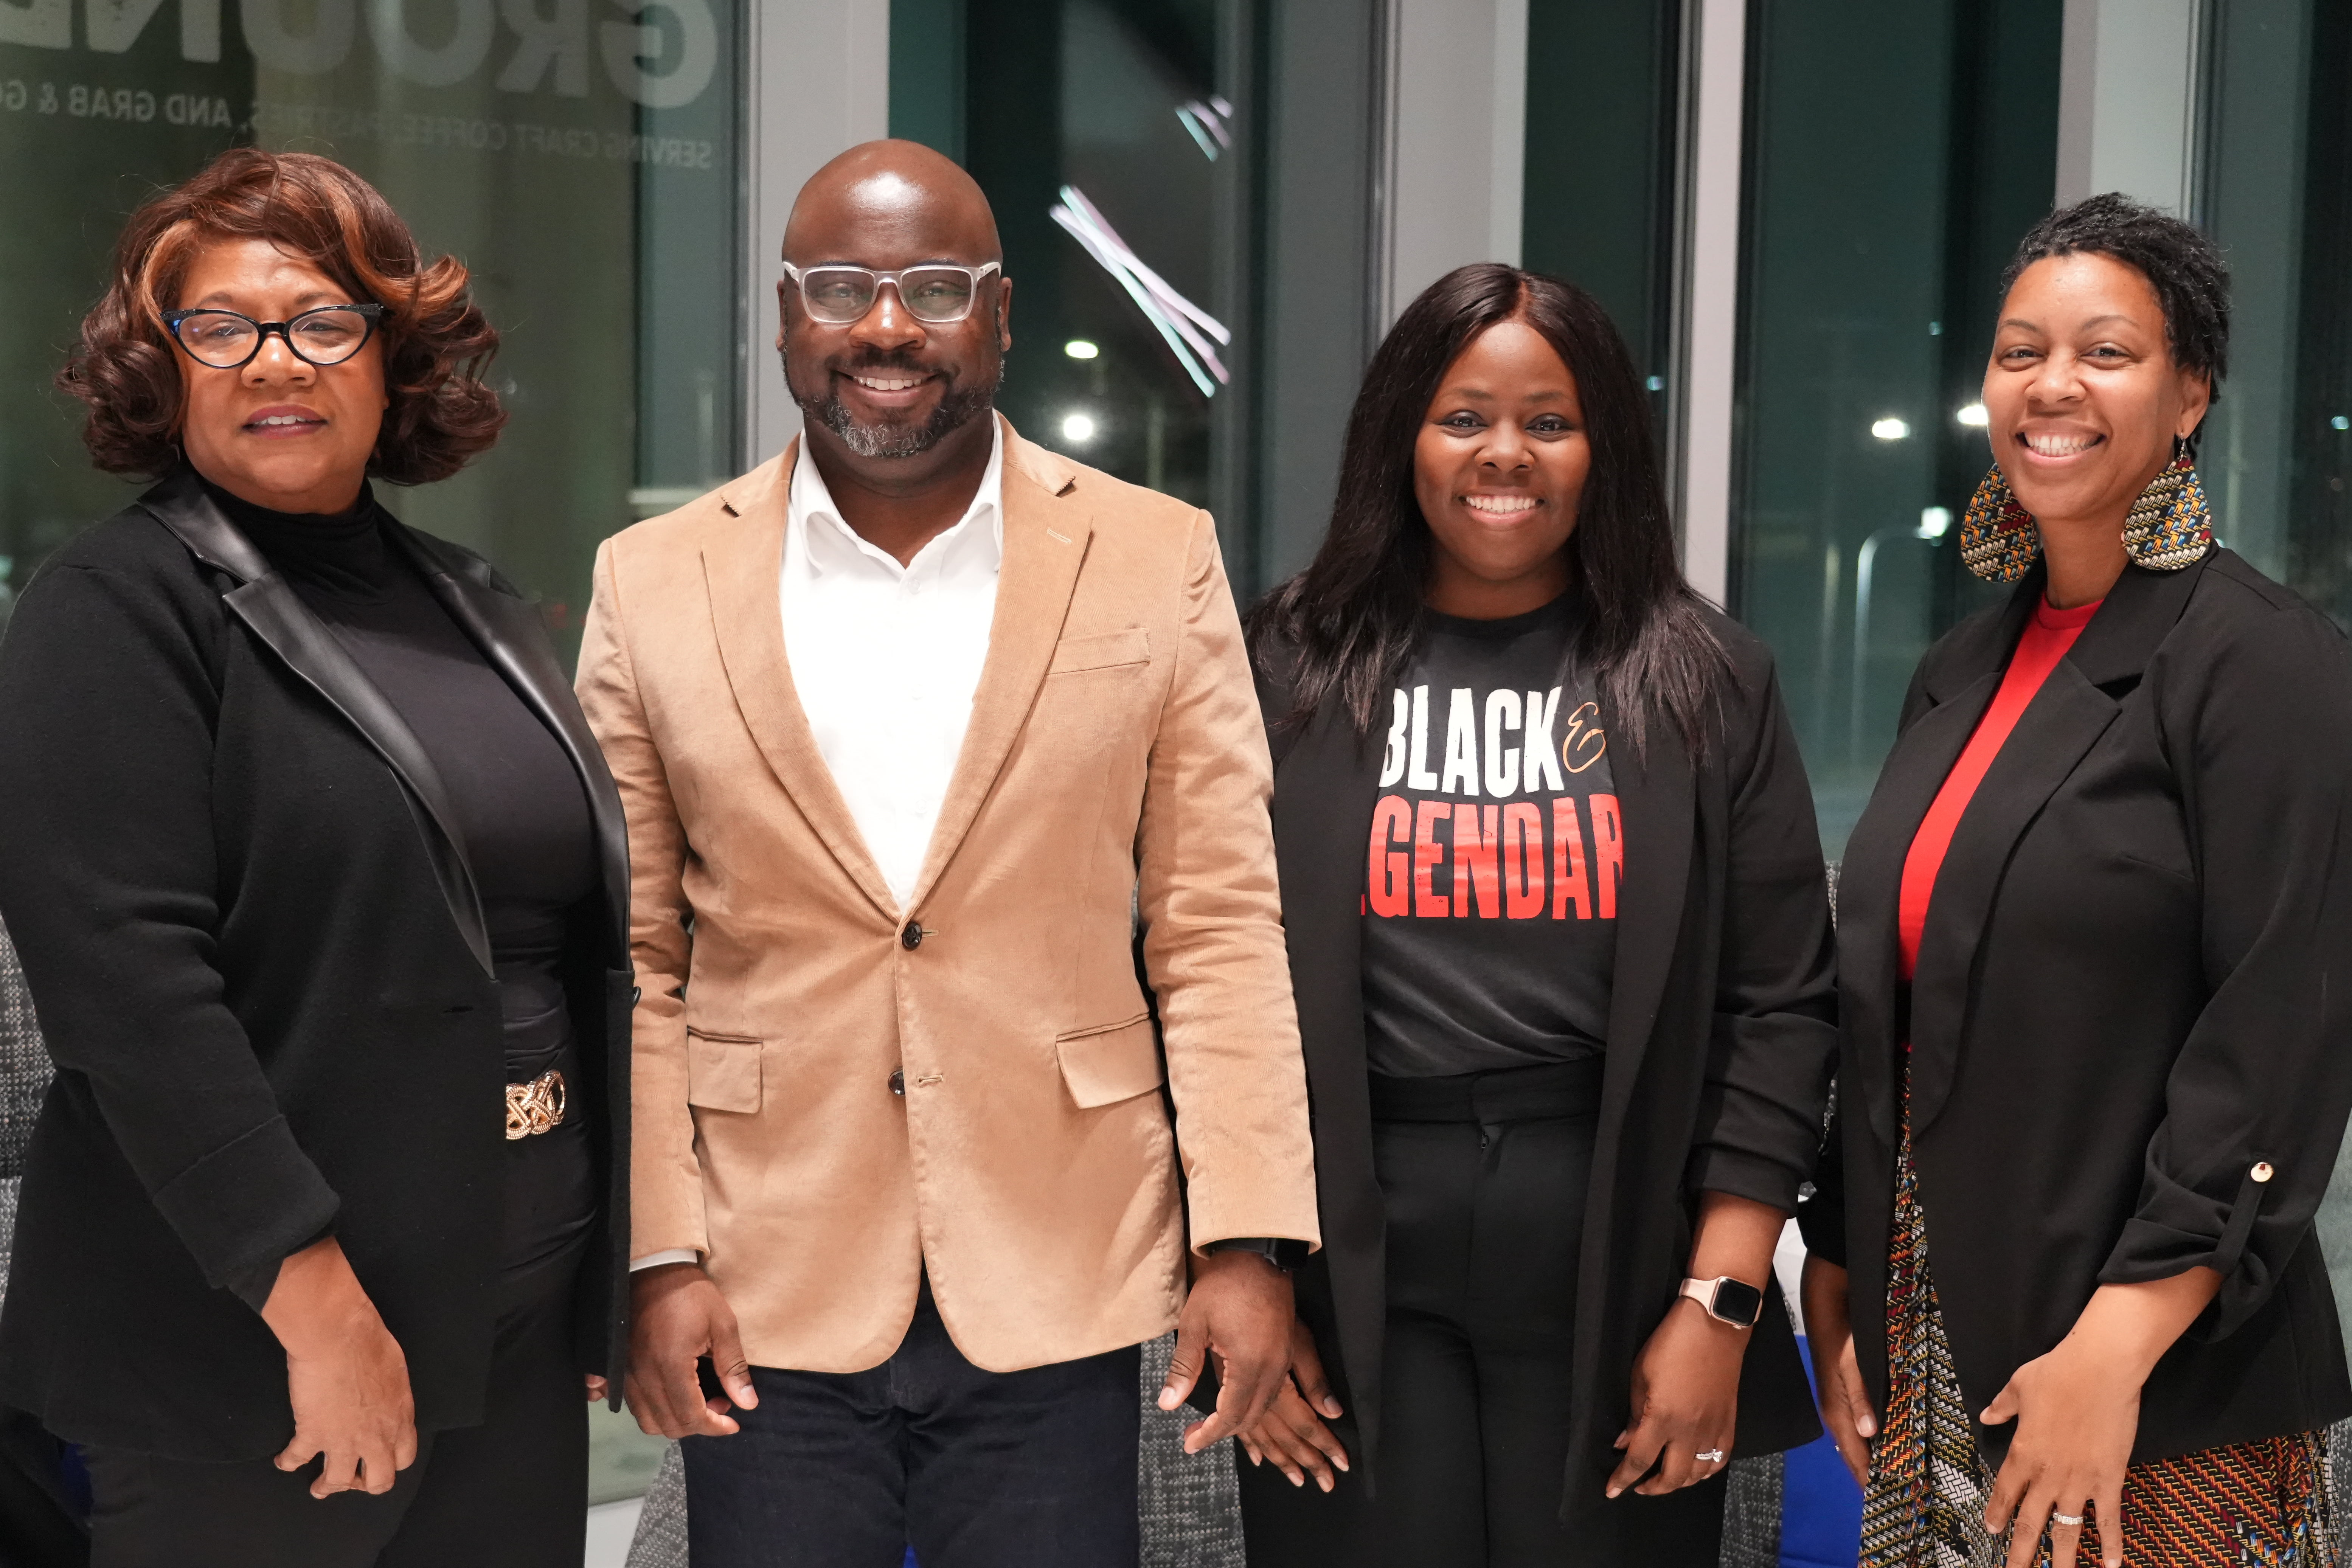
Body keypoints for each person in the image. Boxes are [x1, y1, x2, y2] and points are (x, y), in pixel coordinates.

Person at [574, 138, 1319, 1567]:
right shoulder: (653, 579)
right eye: (841, 287)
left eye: (933, 286)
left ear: (1002, 312)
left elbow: (1216, 922)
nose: (886, 325)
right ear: (787, 314)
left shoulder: (1155, 556)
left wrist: (1247, 1239)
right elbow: (637, 955)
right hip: (760, 1266)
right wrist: (654, 1255)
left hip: (1064, 1254)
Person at [0, 149, 633, 1567]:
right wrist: (313, 1299)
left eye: (321, 320)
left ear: (395, 354)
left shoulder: (468, 599)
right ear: (162, 371)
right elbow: (129, 994)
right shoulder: (114, 606)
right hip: (260, 1351)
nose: (271, 360)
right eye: (218, 325)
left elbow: (563, 946)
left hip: (503, 1330)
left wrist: (603, 1271)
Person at [1232, 262, 1838, 1565]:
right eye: (1461, 416)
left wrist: (1719, 1305)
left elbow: (1778, 1007)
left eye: (1548, 421)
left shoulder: (1707, 680)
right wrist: (1237, 1265)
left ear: (1599, 446)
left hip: (1616, 1235)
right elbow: (1199, 973)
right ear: (1399, 436)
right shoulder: (1278, 664)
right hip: (1345, 1240)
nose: (1503, 454)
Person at [1801, 193, 2352, 1568]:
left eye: (2105, 351)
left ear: (2189, 396)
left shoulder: (2262, 662)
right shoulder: (1960, 666)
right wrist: (1838, 1265)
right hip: (1935, 1350)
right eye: (2017, 350)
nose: (2050, 385)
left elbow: (2276, 1039)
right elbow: (1893, 1001)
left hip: (2164, 1378)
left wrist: (2113, 1345)